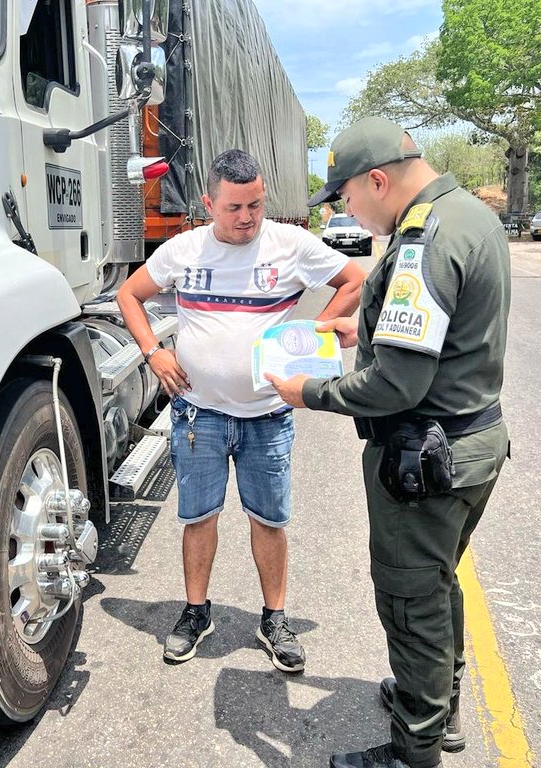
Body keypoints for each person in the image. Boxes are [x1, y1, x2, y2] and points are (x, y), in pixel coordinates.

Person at [265, 117, 511, 768]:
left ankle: (414, 750)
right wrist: (359, 330)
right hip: (471, 441)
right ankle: (435, 708)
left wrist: (306, 394)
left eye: (345, 195)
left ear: (378, 180)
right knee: (437, 584)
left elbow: (399, 383)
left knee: (411, 604)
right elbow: (433, 333)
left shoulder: (422, 240)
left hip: (425, 460)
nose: (346, 208)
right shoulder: (466, 214)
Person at [116, 149, 366, 672]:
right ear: (209, 203)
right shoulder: (184, 249)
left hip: (269, 416)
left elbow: (355, 280)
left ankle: (274, 618)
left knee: (269, 521)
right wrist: (152, 351)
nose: (247, 217)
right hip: (197, 416)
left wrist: (312, 332)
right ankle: (195, 612)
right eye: (234, 207)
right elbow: (129, 294)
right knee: (199, 518)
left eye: (255, 204)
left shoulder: (290, 245)